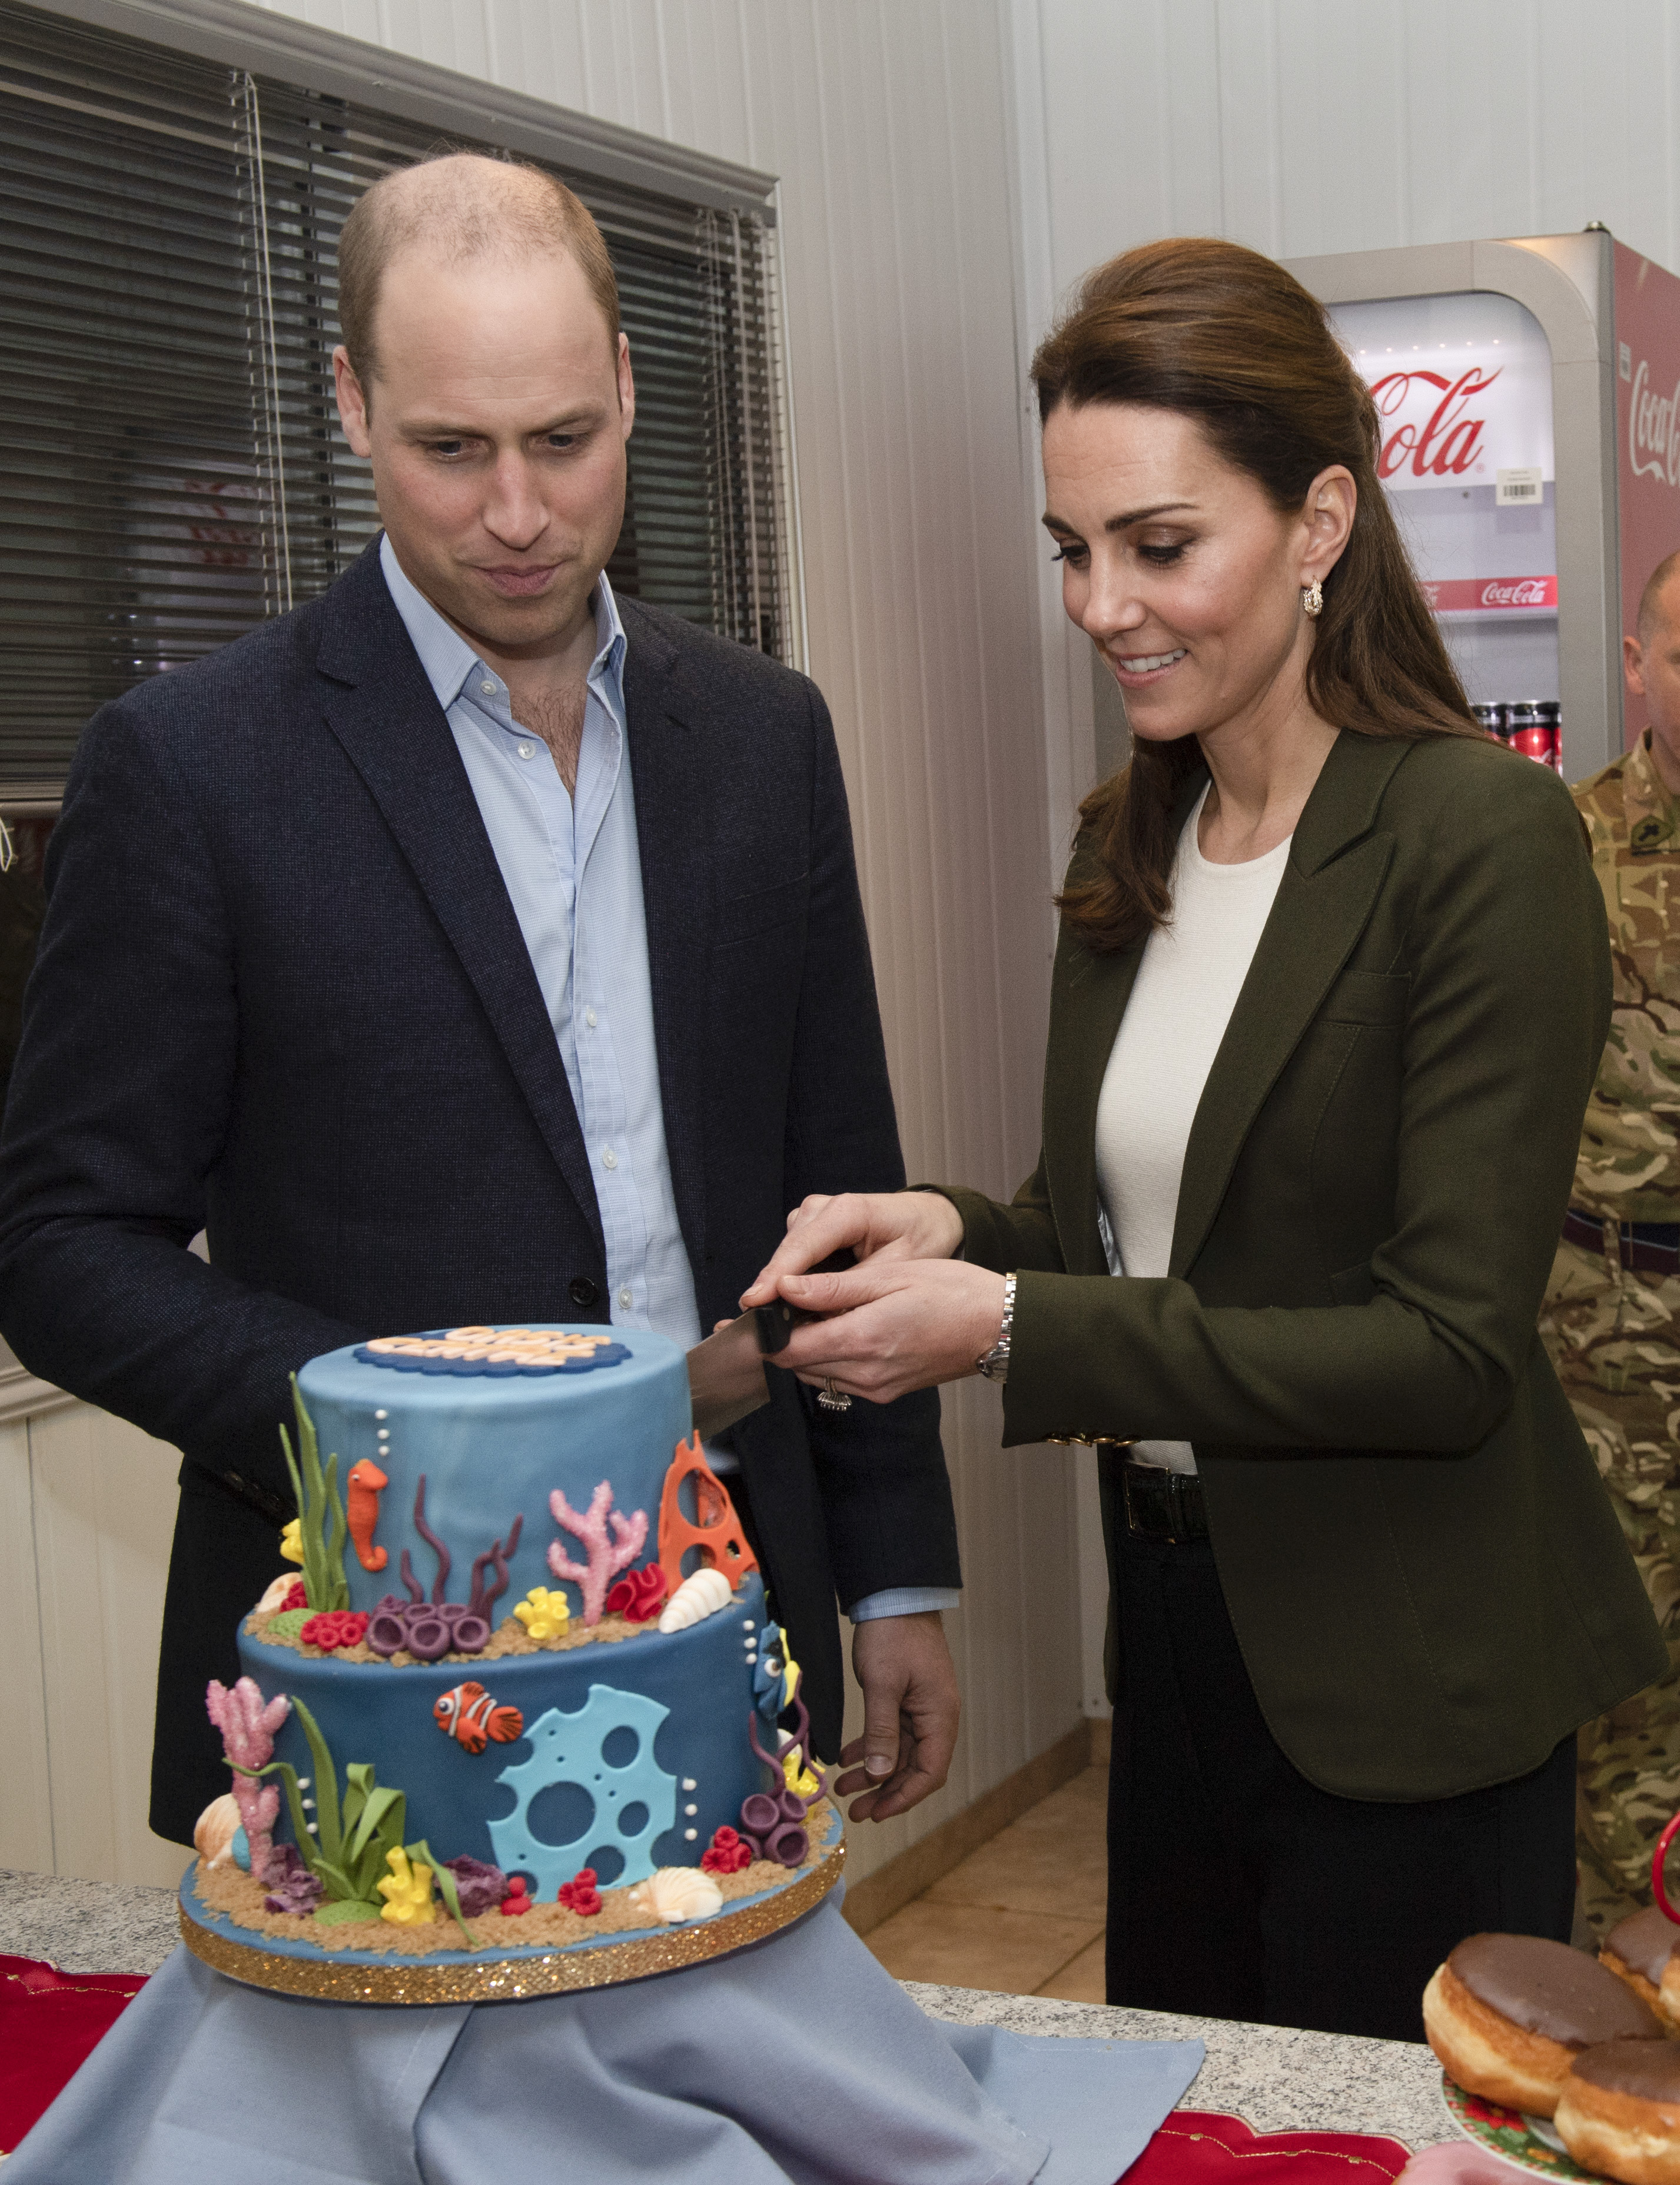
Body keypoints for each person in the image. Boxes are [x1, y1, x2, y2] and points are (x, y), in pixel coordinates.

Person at [744, 237, 1667, 2042]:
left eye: (1158, 547)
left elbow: (1440, 1349)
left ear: (1320, 521)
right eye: (1071, 553)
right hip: (1175, 1640)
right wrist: (935, 1226)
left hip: (1406, 1674)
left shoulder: (1474, 843)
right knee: (1200, 2116)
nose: (1100, 605)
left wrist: (1005, 1328)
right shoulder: (1133, 826)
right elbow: (1119, 1235)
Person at [0, 152, 961, 1849]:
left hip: (725, 1608)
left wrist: (892, 1574)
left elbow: (842, 1188)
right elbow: (62, 1248)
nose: (517, 513)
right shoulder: (191, 767)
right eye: (452, 450)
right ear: (353, 405)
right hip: (372, 1653)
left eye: (564, 442)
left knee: (724, 2100)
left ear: (628, 393)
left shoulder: (759, 738)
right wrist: (424, 1436)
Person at [1540, 547, 1680, 1939]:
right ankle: (1627, 1985)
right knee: (1619, 1673)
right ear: (1636, 666)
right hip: (1607, 1336)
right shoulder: (1557, 848)